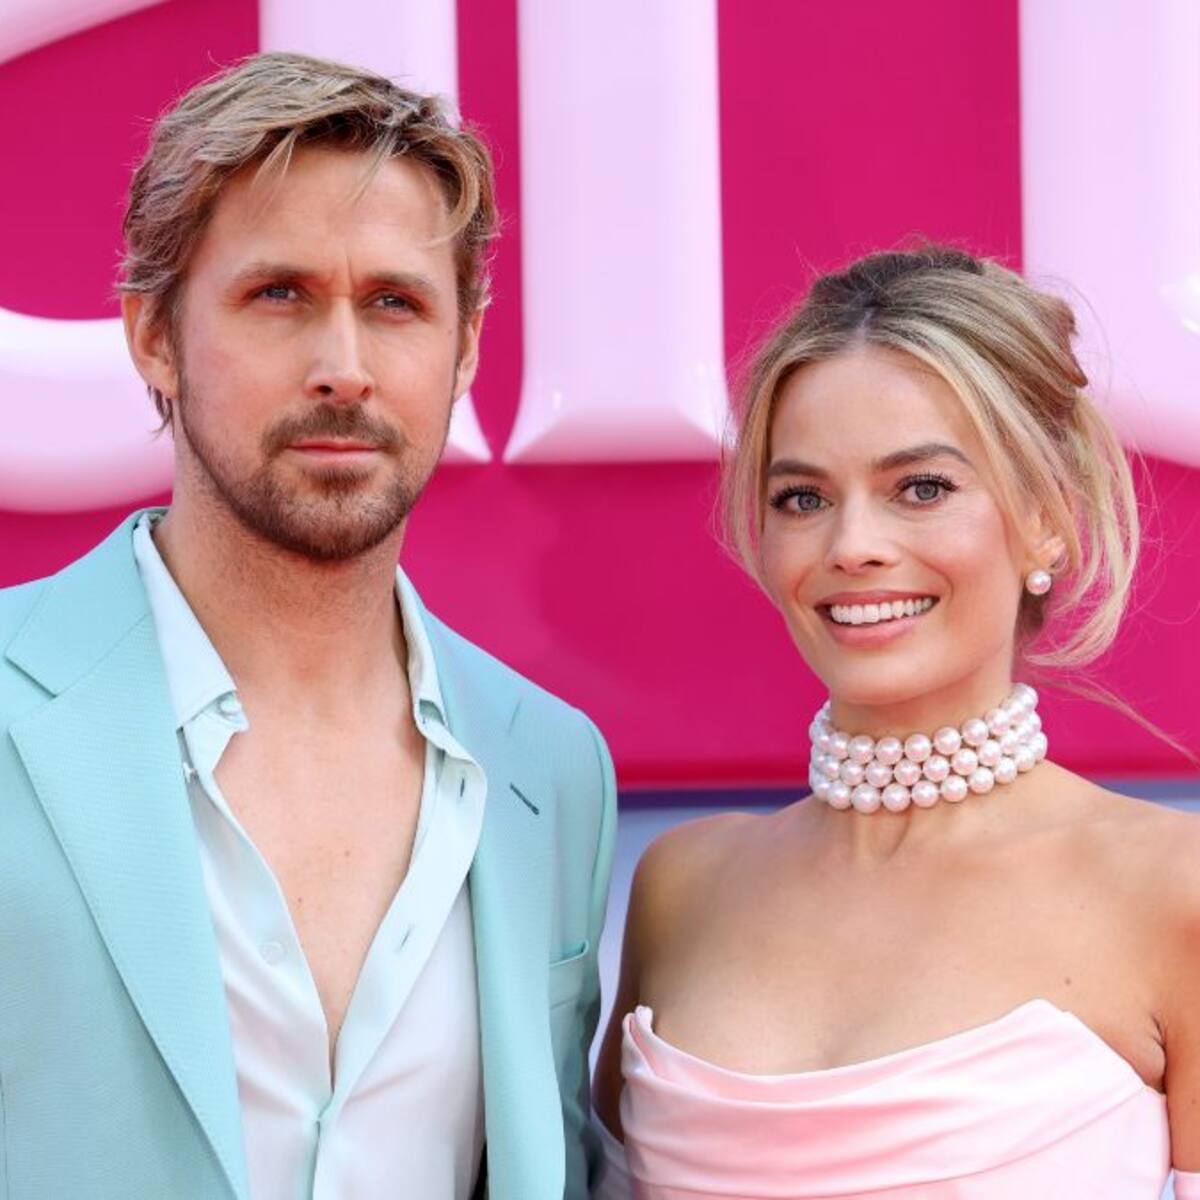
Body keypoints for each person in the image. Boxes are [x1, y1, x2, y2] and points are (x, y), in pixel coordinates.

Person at [0, 52, 615, 1200]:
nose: (344, 369)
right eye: (278, 295)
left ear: (465, 350)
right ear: (153, 335)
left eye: (395, 304)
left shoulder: (552, 766)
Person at [592, 246, 1200, 1199]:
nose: (853, 546)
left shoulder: (1174, 889)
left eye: (922, 488)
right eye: (803, 498)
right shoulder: (682, 890)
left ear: (1047, 515)